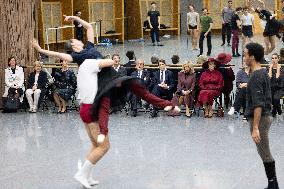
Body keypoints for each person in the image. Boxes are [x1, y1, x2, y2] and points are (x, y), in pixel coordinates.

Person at [244, 42, 279, 189]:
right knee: (262, 150)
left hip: (261, 119)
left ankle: (273, 185)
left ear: (252, 56)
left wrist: (256, 128)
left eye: (245, 54)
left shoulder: (256, 76)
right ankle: (273, 183)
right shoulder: (262, 72)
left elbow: (258, 104)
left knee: (264, 151)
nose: (244, 57)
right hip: (264, 117)